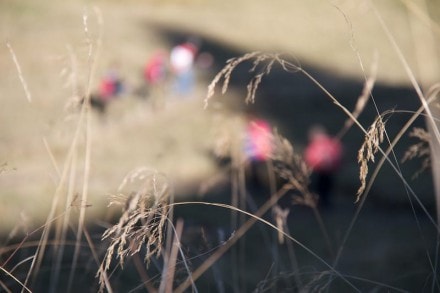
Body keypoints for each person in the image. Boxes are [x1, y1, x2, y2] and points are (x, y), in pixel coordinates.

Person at [304, 125, 343, 208]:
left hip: (328, 171)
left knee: (327, 187)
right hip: (318, 171)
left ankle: (325, 202)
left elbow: (337, 155)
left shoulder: (331, 144)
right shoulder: (315, 145)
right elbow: (309, 157)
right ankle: (319, 202)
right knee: (319, 186)